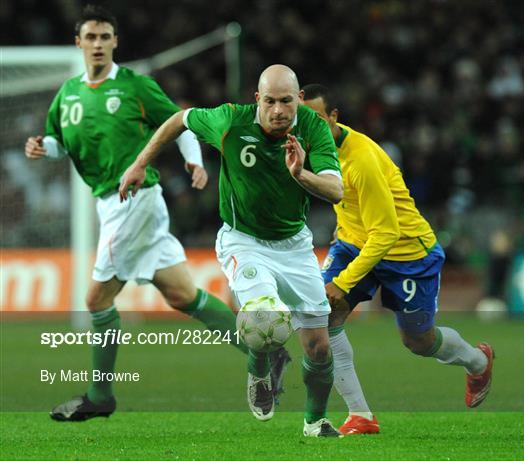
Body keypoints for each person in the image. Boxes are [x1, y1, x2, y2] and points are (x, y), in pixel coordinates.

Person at [24, 5, 290, 422]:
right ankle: (267, 352)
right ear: (78, 43)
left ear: (115, 42)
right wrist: (44, 147)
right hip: (114, 202)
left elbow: (178, 121)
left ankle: (100, 395)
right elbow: (60, 142)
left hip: (133, 199)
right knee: (184, 295)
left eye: (104, 37)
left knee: (96, 298)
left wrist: (194, 160)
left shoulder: (133, 85)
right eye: (90, 37)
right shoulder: (67, 95)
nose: (97, 44)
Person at [120, 65, 344, 437]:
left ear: (298, 100)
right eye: (270, 101)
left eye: (286, 101)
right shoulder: (229, 121)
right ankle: (259, 369)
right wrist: (141, 163)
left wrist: (300, 174)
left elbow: (335, 191)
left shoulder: (313, 128)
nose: (278, 111)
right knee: (262, 319)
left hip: (294, 245)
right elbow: (180, 119)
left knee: (319, 347)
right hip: (245, 241)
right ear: (257, 99)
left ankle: (315, 422)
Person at [302, 84, 494, 435]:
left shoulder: (361, 160)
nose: (307, 127)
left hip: (406, 252)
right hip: (354, 243)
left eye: (315, 119)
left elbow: (386, 233)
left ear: (333, 117)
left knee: (418, 341)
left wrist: (342, 282)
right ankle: (360, 415)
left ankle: (478, 361)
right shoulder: (311, 147)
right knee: (325, 316)